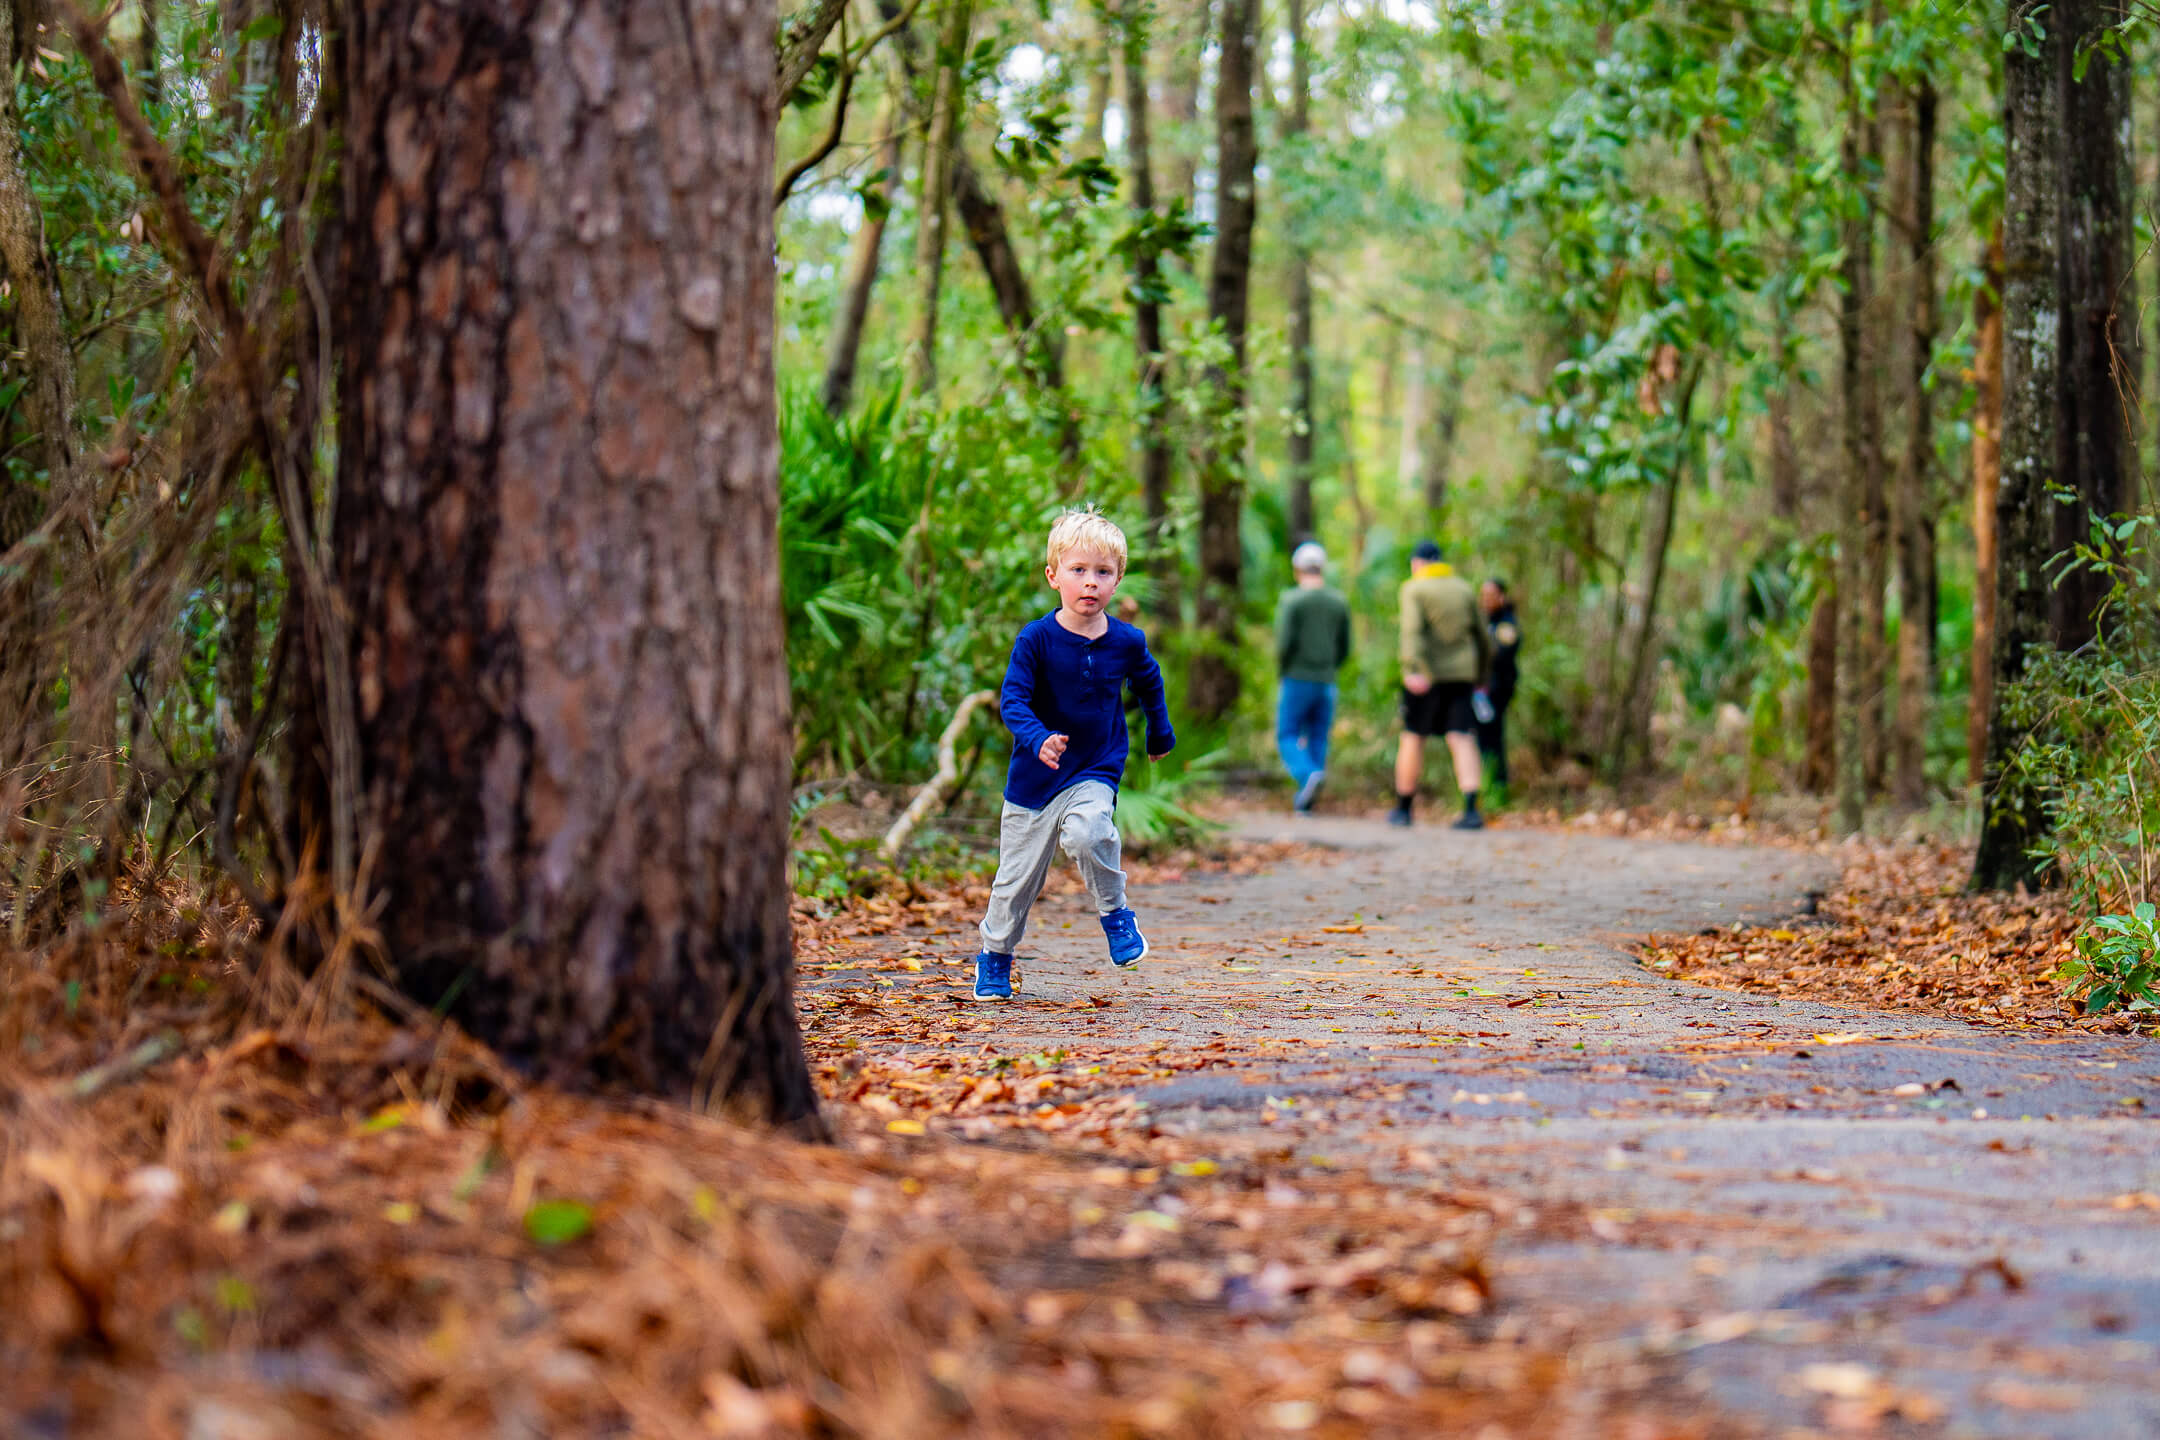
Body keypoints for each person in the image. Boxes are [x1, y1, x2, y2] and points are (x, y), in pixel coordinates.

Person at [971, 508, 1176, 1001]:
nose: (1090, 583)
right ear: (1053, 576)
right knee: (1015, 882)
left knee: (1089, 833)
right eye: (1078, 570)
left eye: (1103, 573)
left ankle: (1116, 916)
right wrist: (1037, 737)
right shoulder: (1036, 640)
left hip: (1094, 767)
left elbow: (1149, 680)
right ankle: (995, 956)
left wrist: (1159, 731)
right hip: (1033, 782)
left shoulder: (1127, 642)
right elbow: (1013, 700)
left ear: (1117, 579)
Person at [1391, 539, 1493, 830]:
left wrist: (1411, 669)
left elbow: (1411, 631)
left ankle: (1404, 808)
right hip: (1462, 675)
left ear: (1416, 564)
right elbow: (1483, 639)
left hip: (1426, 676)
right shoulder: (1463, 588)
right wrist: (1482, 676)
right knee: (1461, 737)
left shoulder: (1413, 588)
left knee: (1413, 737)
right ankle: (1471, 809)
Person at [1274, 541, 1352, 812]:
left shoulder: (1292, 600)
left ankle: (1307, 776)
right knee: (1318, 736)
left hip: (1297, 677)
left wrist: (1282, 670)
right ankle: (1307, 798)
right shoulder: (1338, 601)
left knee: (1287, 734)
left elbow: (1284, 643)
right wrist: (1331, 666)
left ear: (1298, 569)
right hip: (1327, 679)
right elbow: (1345, 645)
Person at [1477, 578, 1521, 791]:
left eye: (1490, 595)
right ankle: (1486, 783)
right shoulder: (1486, 621)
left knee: (1493, 738)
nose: (1485, 600)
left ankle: (1498, 786)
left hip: (1497, 689)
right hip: (1482, 689)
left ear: (1501, 597)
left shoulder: (1506, 624)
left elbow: (1501, 655)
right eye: (1483, 595)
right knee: (1482, 738)